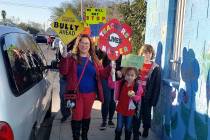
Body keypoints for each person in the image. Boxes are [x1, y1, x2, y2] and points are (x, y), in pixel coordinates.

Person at [59, 34, 112, 140]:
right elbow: (63, 71)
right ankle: (76, 137)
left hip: (90, 94)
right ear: (78, 44)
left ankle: (84, 136)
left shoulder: (94, 58)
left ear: (90, 45)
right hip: (76, 94)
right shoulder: (71, 57)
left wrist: (110, 67)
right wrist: (64, 58)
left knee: (86, 116)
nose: (84, 45)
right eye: (82, 43)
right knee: (77, 116)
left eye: (86, 43)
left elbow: (102, 74)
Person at [132, 44, 161, 139]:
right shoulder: (136, 64)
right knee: (136, 114)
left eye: (149, 53)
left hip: (148, 96)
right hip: (137, 95)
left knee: (147, 115)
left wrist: (154, 100)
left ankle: (146, 129)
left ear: (152, 54)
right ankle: (136, 132)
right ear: (141, 53)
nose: (147, 55)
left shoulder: (155, 67)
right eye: (144, 53)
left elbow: (157, 86)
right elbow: (130, 76)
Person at [108, 67, 143, 140]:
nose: (130, 77)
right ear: (125, 75)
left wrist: (134, 96)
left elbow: (139, 98)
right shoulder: (121, 83)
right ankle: (117, 137)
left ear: (135, 76)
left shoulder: (137, 86)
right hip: (121, 109)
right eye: (128, 75)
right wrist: (112, 76)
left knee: (128, 127)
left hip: (130, 111)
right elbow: (111, 85)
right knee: (119, 127)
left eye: (132, 75)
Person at [96, 49, 122, 130]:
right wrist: (103, 51)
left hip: (116, 79)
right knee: (106, 100)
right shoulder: (104, 48)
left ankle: (110, 120)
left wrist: (119, 71)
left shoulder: (120, 51)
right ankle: (104, 121)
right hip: (105, 78)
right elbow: (98, 58)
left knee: (113, 101)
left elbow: (122, 66)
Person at [57, 39, 75, 123]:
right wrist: (64, 49)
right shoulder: (62, 41)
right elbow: (62, 55)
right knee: (63, 96)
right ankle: (65, 114)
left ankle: (73, 113)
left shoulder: (78, 42)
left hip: (74, 75)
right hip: (64, 76)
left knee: (72, 97)